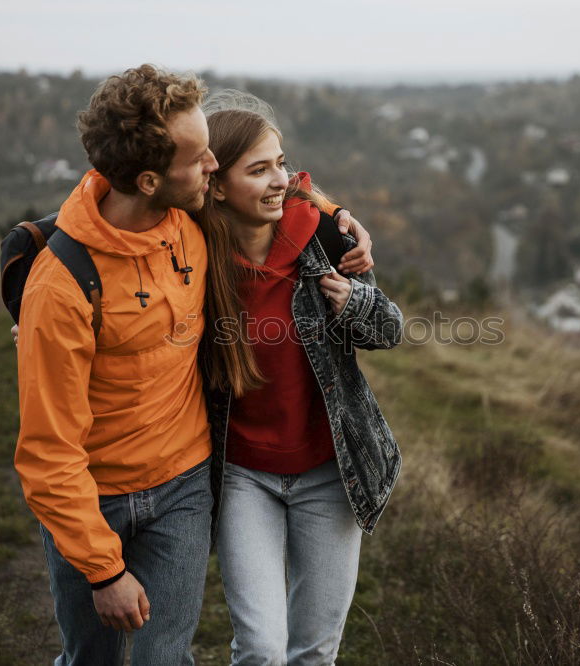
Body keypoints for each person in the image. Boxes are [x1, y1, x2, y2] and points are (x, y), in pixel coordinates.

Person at [12, 66, 372, 666]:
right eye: (200, 157)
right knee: (92, 659)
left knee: (166, 659)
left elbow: (274, 181)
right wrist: (103, 573)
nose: (212, 166)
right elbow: (47, 452)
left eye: (211, 152)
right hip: (94, 496)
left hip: (185, 486)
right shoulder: (64, 285)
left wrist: (338, 214)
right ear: (151, 179)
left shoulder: (192, 220)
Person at [196, 92, 403, 666]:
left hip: (329, 473)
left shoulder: (325, 242)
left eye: (281, 164)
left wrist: (355, 303)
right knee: (260, 649)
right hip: (243, 476)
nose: (278, 180)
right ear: (214, 183)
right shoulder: (192, 257)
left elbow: (390, 331)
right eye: (258, 169)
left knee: (314, 651)